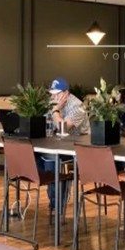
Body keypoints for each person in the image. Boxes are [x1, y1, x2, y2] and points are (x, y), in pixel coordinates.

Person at [39, 77, 88, 213]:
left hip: (79, 148)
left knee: (52, 161)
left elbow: (63, 128)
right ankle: (54, 199)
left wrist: (55, 111)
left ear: (66, 93)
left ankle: (57, 204)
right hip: (59, 145)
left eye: (57, 94)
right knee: (39, 157)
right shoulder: (52, 101)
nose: (53, 97)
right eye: (52, 94)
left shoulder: (78, 106)